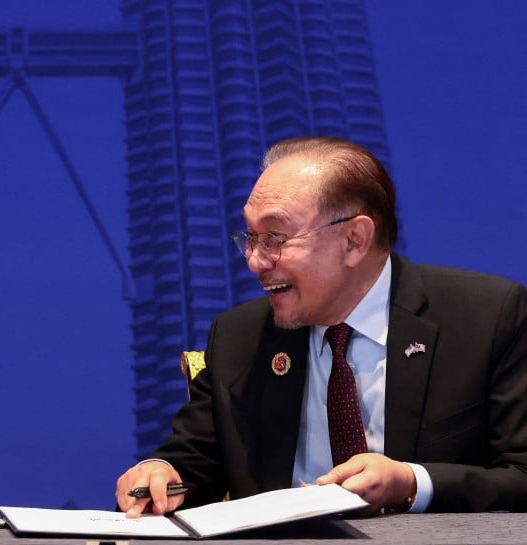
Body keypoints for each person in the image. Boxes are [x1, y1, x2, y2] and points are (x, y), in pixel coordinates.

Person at [116, 136, 527, 516]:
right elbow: (195, 458)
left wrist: (412, 482)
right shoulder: (239, 337)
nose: (256, 261)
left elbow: (520, 473)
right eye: (250, 237)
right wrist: (160, 471)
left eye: (275, 237)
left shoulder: (486, 317)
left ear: (354, 240)